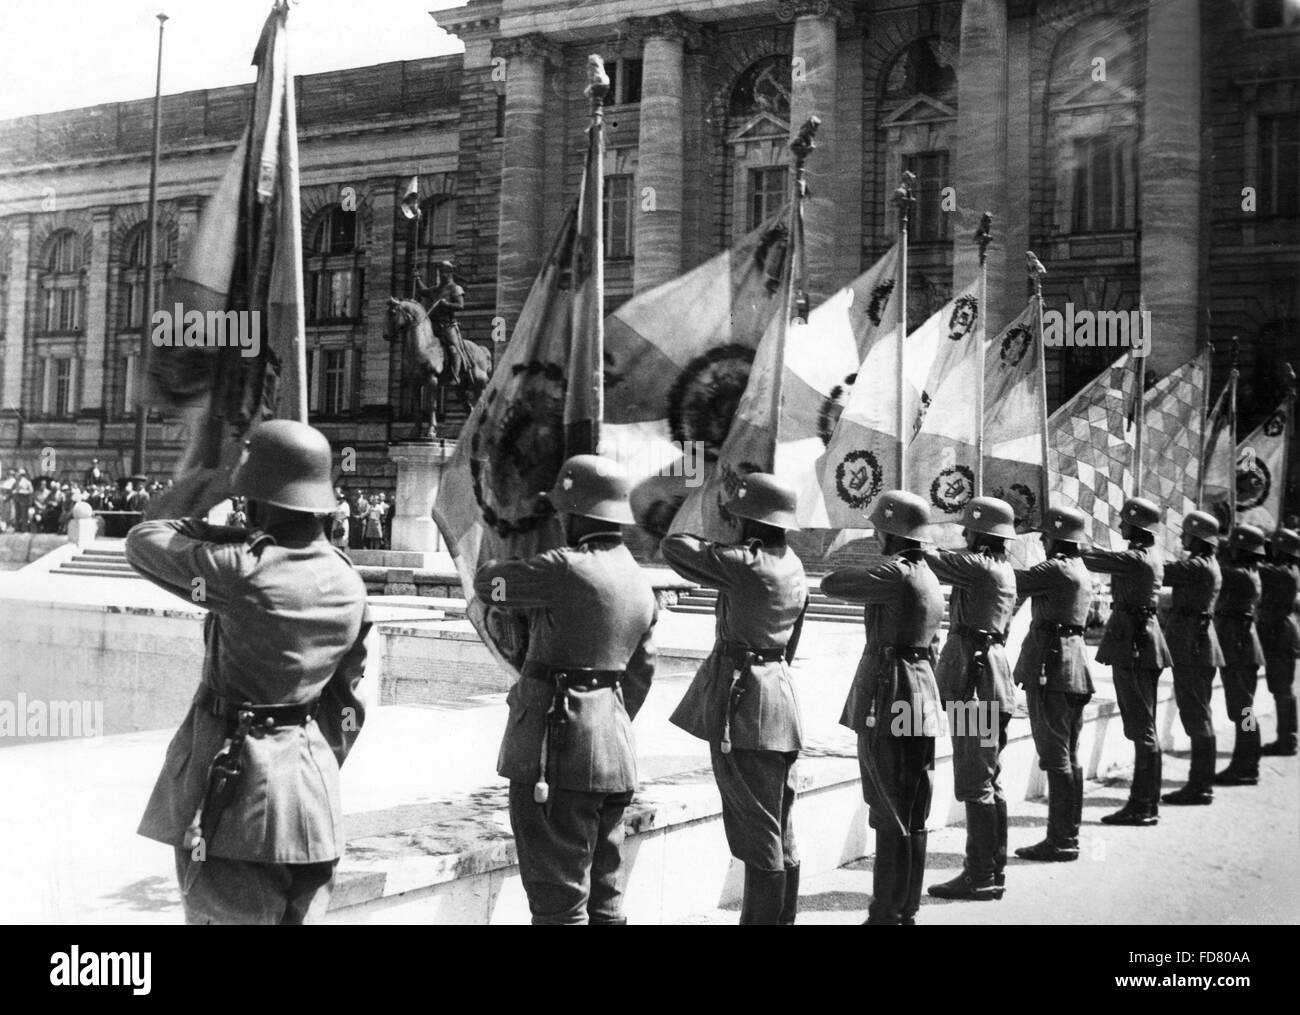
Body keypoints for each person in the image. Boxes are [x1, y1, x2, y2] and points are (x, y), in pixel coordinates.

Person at [125, 420, 370, 925]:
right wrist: (305, 766)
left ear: (258, 498)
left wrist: (210, 488)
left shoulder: (241, 572)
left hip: (234, 802)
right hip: (311, 804)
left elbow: (144, 539)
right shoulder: (349, 583)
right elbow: (346, 708)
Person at [473, 455, 657, 925]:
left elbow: (488, 583)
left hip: (556, 751)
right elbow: (642, 674)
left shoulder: (563, 568)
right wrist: (602, 720)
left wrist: (529, 541)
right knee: (605, 900)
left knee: (559, 905)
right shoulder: (639, 580)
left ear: (575, 516)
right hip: (612, 751)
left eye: (562, 513)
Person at [659, 474, 808, 924]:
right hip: (776, 696)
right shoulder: (793, 563)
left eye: (739, 518)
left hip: (746, 708)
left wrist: (706, 512)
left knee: (759, 833)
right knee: (779, 828)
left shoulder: (749, 564)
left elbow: (674, 547)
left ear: (751, 523)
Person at [822, 490, 944, 924]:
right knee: (913, 807)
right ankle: (904, 909)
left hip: (890, 695)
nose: (874, 533)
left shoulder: (897, 572)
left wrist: (856, 556)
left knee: (888, 807)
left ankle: (884, 914)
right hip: (920, 695)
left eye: (879, 528)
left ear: (893, 531)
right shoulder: (927, 573)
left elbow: (831, 583)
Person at [923, 496, 1017, 901]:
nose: (963, 533)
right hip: (990, 680)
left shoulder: (980, 567)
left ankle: (979, 875)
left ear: (983, 533)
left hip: (975, 687)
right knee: (989, 782)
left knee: (975, 784)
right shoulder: (999, 567)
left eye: (970, 527)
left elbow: (928, 557)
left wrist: (909, 534)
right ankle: (991, 871)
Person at [1082, 497, 1173, 826]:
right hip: (1140, 641)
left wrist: (1071, 541)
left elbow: (1097, 559)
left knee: (1142, 730)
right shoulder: (1148, 555)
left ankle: (1143, 805)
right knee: (1144, 729)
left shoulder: (1137, 558)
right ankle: (1147, 803)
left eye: (1124, 521)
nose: (1119, 526)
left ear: (1136, 525)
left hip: (1135, 645)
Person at [1012, 505, 1095, 859]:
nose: (1042, 542)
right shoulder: (1077, 568)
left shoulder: (1057, 568)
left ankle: (1061, 840)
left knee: (1056, 757)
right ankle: (1067, 836)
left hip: (1052, 669)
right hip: (1070, 668)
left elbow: (1006, 579)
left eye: (1045, 536)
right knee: (1067, 756)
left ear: (1055, 538)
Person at [1159, 511, 1225, 806]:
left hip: (1195, 648)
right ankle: (1240, 762)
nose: (1181, 537)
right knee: (1212, 714)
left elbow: (1161, 571)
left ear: (1197, 538)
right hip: (1204, 646)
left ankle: (1203, 785)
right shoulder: (1208, 565)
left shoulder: (1198, 566)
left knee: (1208, 715)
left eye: (1185, 533)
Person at [1213, 525, 1267, 786]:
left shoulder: (1238, 575)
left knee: (1243, 711)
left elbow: (1218, 568)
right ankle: (1246, 762)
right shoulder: (1249, 572)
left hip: (1240, 649)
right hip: (1242, 647)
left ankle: (1246, 765)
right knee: (1243, 710)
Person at [1259, 529, 1300, 757]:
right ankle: (1287, 739)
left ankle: (1287, 740)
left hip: (1279, 636)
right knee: (1282, 691)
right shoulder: (1289, 570)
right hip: (1281, 634)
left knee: (1281, 691)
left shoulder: (1283, 573)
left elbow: (1262, 570)